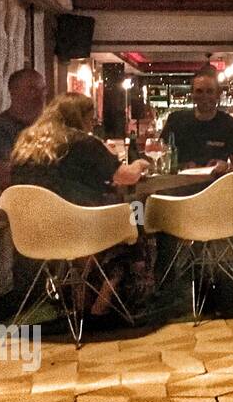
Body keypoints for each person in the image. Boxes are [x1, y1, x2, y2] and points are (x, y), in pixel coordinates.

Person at [10, 92, 153, 324]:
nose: (92, 123)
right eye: (90, 117)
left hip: (33, 233)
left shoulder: (25, 142)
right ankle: (104, 300)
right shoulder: (82, 142)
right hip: (80, 228)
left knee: (100, 221)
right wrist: (140, 163)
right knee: (135, 215)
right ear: (80, 117)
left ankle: (81, 299)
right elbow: (126, 177)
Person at [161, 70, 233, 174]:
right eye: (199, 91)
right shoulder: (176, 120)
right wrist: (182, 166)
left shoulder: (231, 125)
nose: (204, 96)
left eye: (209, 91)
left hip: (215, 182)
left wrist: (226, 167)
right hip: (180, 181)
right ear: (192, 94)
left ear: (217, 95)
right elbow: (162, 158)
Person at [0, 67, 48, 195]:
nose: (40, 96)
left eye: (43, 90)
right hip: (21, 203)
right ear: (14, 92)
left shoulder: (48, 127)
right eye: (32, 90)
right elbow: (0, 178)